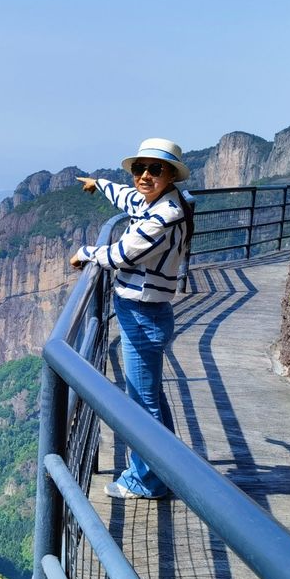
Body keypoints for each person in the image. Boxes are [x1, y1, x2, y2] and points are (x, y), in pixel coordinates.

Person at [70, 138, 193, 499]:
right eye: (140, 168)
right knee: (148, 396)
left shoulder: (164, 216)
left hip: (144, 315)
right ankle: (170, 466)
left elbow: (123, 253)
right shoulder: (159, 200)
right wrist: (100, 183)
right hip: (143, 313)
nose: (144, 175)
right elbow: (128, 197)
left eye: (155, 169)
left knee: (142, 403)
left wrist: (86, 253)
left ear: (171, 174)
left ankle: (149, 480)